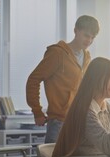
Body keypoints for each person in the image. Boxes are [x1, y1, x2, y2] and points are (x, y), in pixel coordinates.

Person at [26, 15, 100, 143]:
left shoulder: (87, 57)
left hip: (79, 121)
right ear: (76, 31)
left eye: (92, 37)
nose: (89, 40)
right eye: (86, 35)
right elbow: (33, 80)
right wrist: (37, 112)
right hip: (59, 122)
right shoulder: (57, 53)